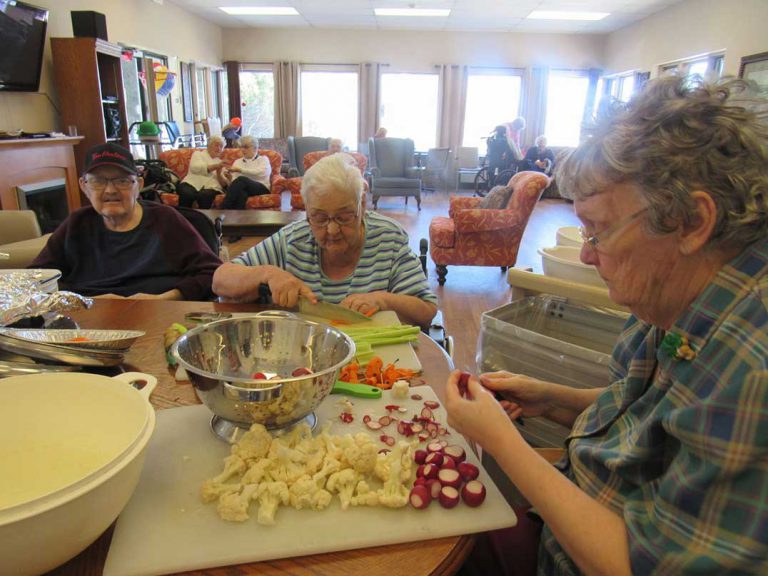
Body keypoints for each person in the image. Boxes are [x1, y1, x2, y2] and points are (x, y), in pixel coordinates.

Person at [446, 75, 768, 575]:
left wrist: (502, 441)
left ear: (690, 221)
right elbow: (664, 412)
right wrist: (553, 397)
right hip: (568, 519)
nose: (586, 254)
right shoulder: (685, 293)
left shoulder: (752, 368)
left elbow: (638, 566)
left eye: (598, 230)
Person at [213, 154, 438, 327]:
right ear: (307, 211)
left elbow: (426, 312)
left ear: (361, 205)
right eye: (319, 218)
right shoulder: (294, 239)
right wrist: (268, 274)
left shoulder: (389, 239)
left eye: (344, 217)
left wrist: (382, 300)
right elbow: (220, 279)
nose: (332, 230)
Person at [30, 143, 221, 300]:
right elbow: (34, 279)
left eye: (122, 181)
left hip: (157, 315)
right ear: (84, 186)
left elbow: (212, 273)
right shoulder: (76, 224)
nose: (110, 190)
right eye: (98, 181)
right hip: (89, 319)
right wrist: (86, 301)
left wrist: (165, 298)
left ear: (139, 185)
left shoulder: (165, 220)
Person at [175, 136, 228, 208]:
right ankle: (184, 215)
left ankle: (203, 215)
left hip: (211, 187)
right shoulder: (198, 154)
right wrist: (216, 166)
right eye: (216, 145)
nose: (219, 148)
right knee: (187, 194)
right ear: (209, 145)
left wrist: (219, 173)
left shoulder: (220, 163)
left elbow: (224, 184)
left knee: (205, 196)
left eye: (221, 146)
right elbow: (195, 167)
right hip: (191, 183)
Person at [220, 136, 272, 209]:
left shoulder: (263, 159)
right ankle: (236, 215)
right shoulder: (237, 162)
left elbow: (262, 173)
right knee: (242, 194)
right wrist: (230, 179)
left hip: (261, 188)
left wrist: (240, 170)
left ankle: (223, 209)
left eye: (246, 147)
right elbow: (235, 182)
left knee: (242, 179)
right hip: (245, 189)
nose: (243, 150)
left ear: (255, 148)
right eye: (241, 147)